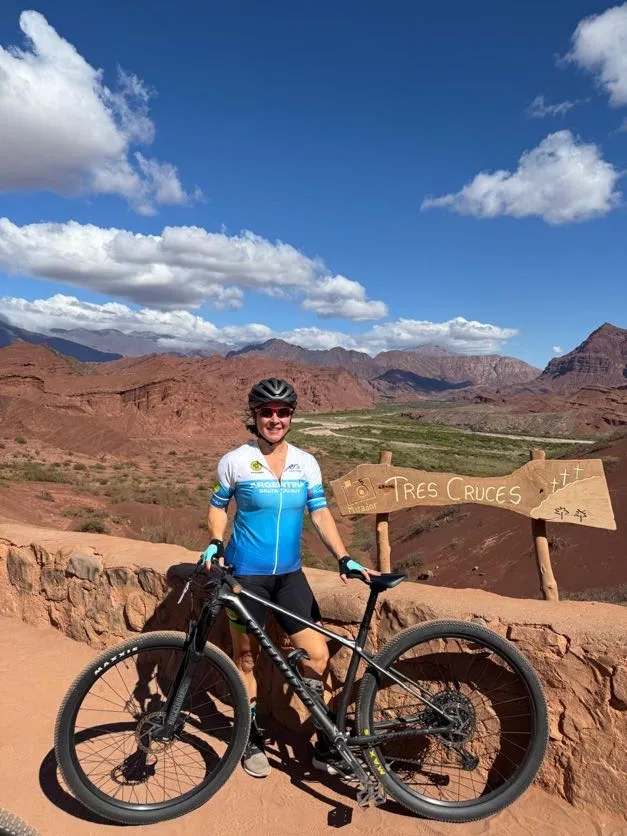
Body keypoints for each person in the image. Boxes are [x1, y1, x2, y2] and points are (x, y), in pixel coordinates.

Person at [204, 377, 378, 779]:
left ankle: (325, 744)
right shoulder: (234, 461)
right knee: (246, 660)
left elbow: (319, 512)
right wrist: (214, 542)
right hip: (244, 577)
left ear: (291, 417)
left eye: (282, 412)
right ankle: (250, 737)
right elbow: (217, 506)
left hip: (289, 578)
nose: (275, 419)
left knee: (317, 655)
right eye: (266, 412)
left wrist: (344, 557)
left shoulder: (306, 462)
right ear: (254, 416)